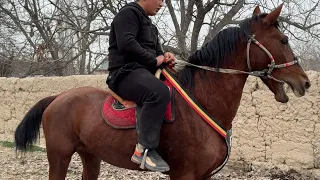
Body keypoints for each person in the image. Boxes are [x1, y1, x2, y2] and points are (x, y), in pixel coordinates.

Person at [106, 0, 175, 173]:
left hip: (144, 73)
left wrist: (165, 56)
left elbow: (157, 52)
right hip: (125, 73)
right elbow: (127, 44)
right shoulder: (128, 13)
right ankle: (144, 150)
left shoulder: (151, 25)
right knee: (159, 92)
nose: (162, 4)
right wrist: (154, 61)